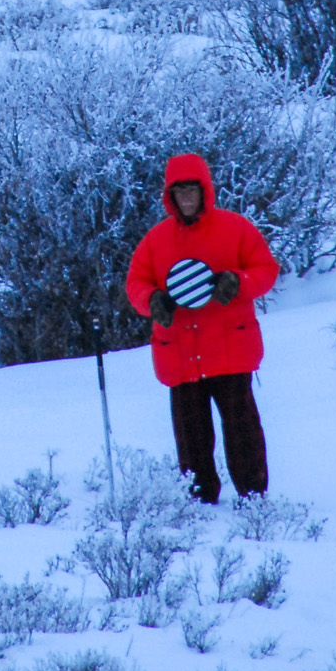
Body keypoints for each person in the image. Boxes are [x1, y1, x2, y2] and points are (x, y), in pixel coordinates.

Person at [125, 151, 279, 502]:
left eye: (193, 190)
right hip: (180, 353)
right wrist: (152, 301)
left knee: (242, 432)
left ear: (205, 190)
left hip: (230, 351)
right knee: (191, 436)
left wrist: (237, 283)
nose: (187, 197)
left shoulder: (236, 228)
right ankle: (200, 501)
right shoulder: (155, 241)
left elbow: (265, 269)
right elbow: (136, 282)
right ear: (171, 196)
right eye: (180, 191)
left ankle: (253, 496)